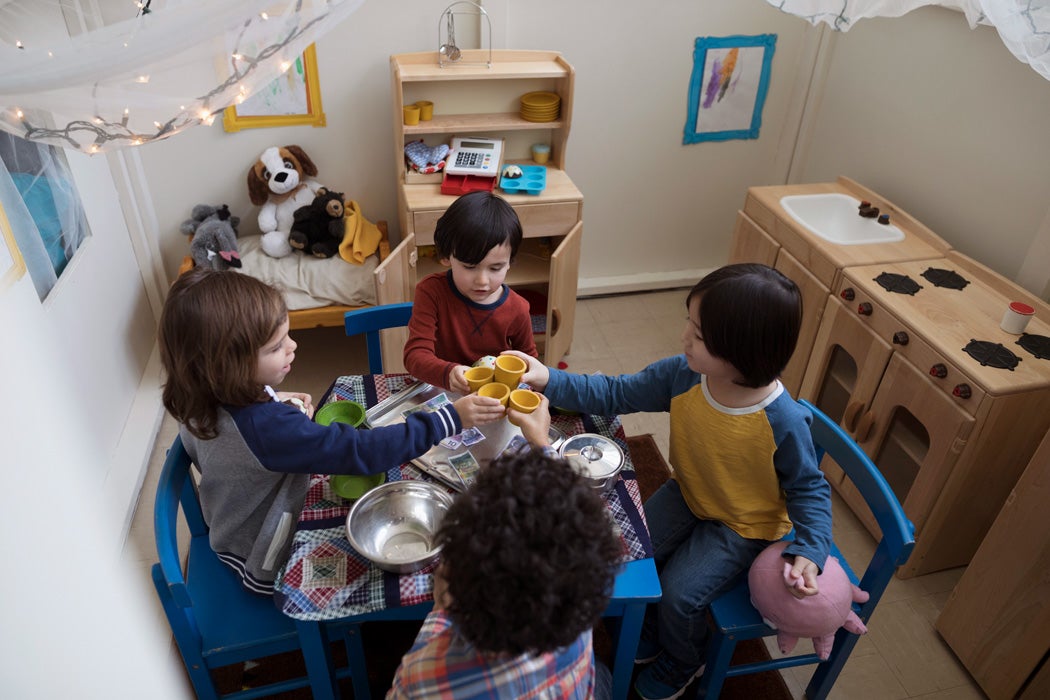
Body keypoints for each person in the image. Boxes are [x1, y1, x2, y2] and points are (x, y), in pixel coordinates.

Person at [503, 263, 833, 700]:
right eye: (689, 325)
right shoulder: (683, 374)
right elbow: (616, 393)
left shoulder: (783, 420)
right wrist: (549, 377)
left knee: (681, 595)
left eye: (698, 336)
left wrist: (811, 547)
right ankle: (656, 627)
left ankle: (683, 658)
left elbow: (809, 488)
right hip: (691, 493)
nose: (684, 340)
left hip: (744, 526)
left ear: (743, 354)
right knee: (624, 554)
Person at [158, 267, 505, 594]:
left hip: (230, 522)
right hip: (261, 551)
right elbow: (362, 452)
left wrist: (274, 402)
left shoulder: (197, 391)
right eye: (276, 347)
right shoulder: (268, 429)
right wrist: (449, 419)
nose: (293, 346)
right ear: (226, 368)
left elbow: (241, 437)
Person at [388, 394, 620, 700]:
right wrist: (542, 444)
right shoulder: (572, 607)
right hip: (572, 683)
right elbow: (560, 516)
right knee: (602, 674)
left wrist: (440, 606)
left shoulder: (420, 680)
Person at [403, 190, 538, 393]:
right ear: (446, 257)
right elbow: (415, 356)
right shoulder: (431, 291)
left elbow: (530, 362)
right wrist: (448, 372)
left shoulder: (518, 308)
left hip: (493, 397)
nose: (482, 281)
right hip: (444, 389)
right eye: (469, 266)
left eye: (495, 268)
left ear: (510, 262)